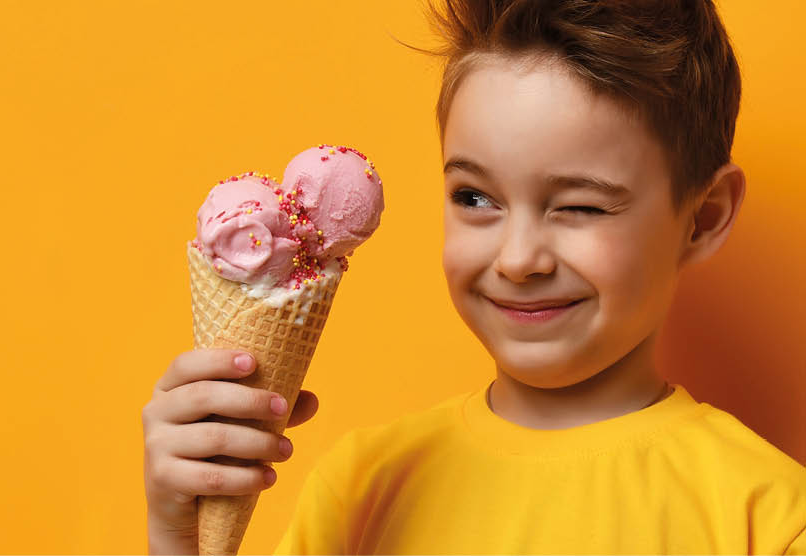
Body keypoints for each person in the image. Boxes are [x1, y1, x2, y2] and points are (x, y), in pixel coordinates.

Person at [143, 0, 806, 553]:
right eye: (475, 198)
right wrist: (180, 537)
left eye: (577, 206)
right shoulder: (361, 489)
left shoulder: (768, 516)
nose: (517, 259)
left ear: (702, 217)